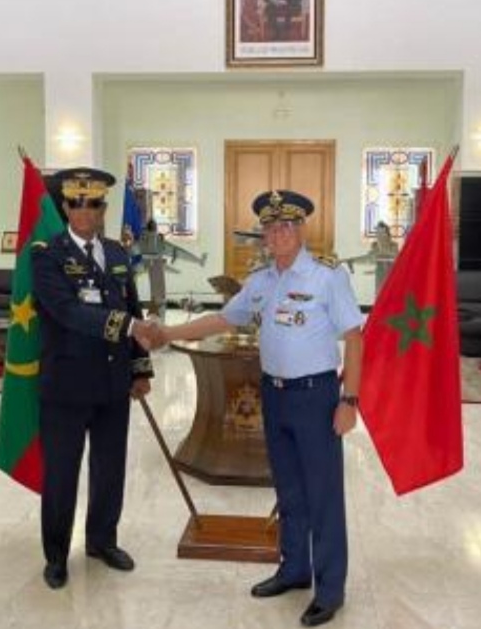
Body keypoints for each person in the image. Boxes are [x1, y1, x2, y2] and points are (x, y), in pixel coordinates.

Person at [153, 189, 363, 627]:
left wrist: (350, 400)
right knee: (288, 490)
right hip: (275, 394)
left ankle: (329, 590)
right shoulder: (261, 281)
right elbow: (223, 319)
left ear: (301, 229)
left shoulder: (327, 276)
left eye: (287, 226)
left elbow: (355, 338)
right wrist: (167, 334)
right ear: (264, 235)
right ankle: (294, 569)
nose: (279, 234)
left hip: (316, 396)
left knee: (322, 495)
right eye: (271, 227)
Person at [31, 167, 160, 590]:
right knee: (61, 475)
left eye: (93, 204)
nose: (84, 211)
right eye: (76, 203)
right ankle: (56, 556)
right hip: (66, 386)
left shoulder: (118, 253)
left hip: (112, 383)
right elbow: (68, 312)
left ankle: (102, 541)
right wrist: (128, 327)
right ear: (65, 207)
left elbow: (133, 306)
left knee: (110, 468)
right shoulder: (47, 255)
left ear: (104, 208)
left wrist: (140, 368)